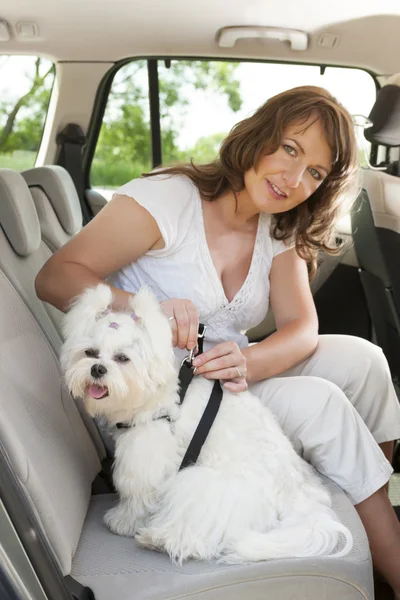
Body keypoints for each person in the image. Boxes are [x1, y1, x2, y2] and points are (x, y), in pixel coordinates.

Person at [36, 86, 400, 595]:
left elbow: (301, 328)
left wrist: (248, 361)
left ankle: (365, 503)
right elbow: (55, 278)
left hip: (222, 380)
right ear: (258, 137)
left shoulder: (280, 224)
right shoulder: (168, 199)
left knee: (365, 361)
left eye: (315, 172)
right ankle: (393, 560)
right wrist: (147, 313)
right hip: (157, 401)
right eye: (290, 149)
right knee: (324, 404)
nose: (294, 180)